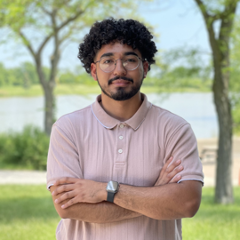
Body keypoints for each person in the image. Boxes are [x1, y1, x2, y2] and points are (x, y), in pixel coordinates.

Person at [47, 18, 204, 240]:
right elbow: (67, 208)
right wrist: (154, 196)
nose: (119, 70)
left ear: (145, 68)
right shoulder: (67, 128)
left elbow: (187, 203)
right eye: (107, 61)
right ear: (93, 70)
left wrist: (104, 191)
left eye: (130, 60)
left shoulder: (175, 129)